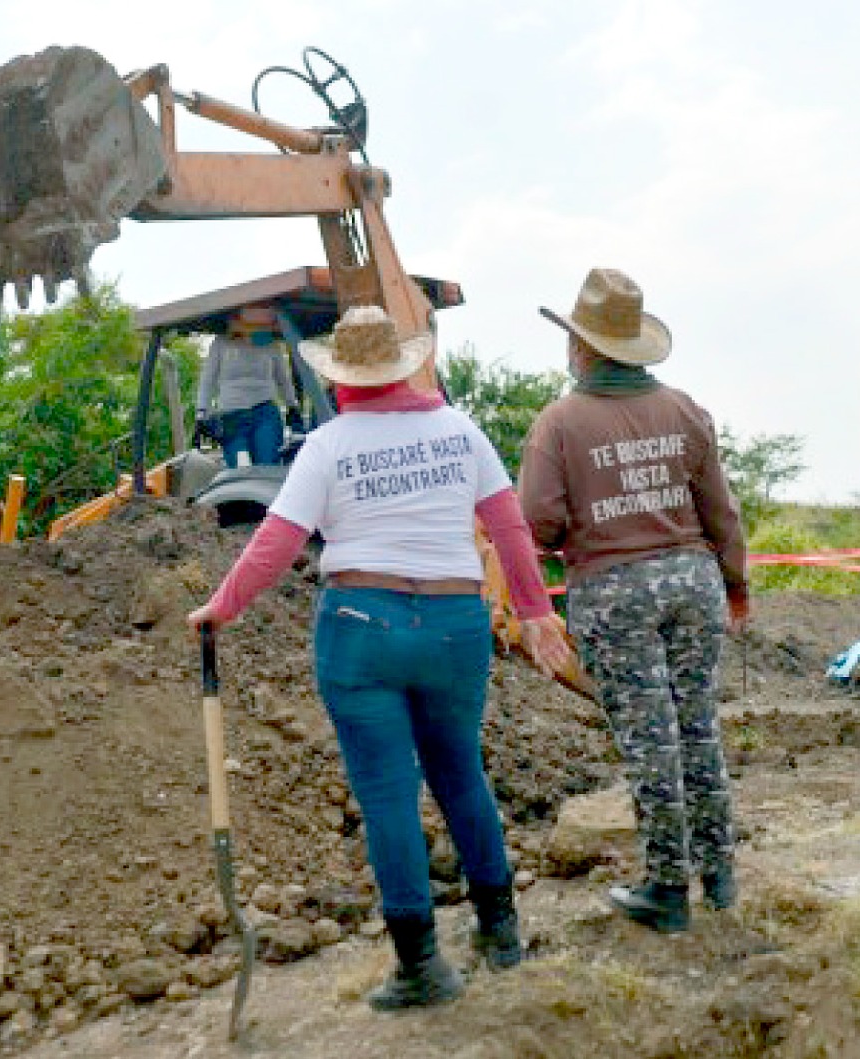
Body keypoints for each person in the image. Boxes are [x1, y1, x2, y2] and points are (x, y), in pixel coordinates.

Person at [188, 305, 571, 1010]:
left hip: (363, 626)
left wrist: (222, 605)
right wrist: (537, 610)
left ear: (340, 380)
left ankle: (422, 966)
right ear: (403, 366)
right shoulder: (460, 431)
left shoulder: (329, 445)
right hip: (456, 626)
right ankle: (502, 933)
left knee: (390, 793)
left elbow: (277, 539)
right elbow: (508, 524)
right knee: (461, 774)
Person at [518, 268, 749, 935]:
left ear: (582, 348)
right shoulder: (684, 410)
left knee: (651, 739)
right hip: (694, 583)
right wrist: (734, 583)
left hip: (616, 591)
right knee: (698, 726)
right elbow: (720, 512)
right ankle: (720, 873)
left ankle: (666, 888)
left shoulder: (558, 423)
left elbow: (538, 523)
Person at [195, 305, 302, 468]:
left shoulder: (269, 343)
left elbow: (283, 379)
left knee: (268, 467)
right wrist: (202, 412)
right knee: (240, 471)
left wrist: (292, 406)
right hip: (232, 416)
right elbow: (207, 380)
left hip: (264, 412)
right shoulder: (221, 342)